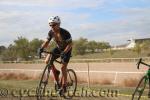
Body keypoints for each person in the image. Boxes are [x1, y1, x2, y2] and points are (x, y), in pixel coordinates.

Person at [39, 16, 72, 93]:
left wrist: (65, 52)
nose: (52, 27)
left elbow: (70, 44)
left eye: (53, 25)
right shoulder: (51, 32)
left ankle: (64, 85)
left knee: (63, 67)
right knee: (47, 61)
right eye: (50, 25)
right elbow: (47, 42)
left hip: (67, 49)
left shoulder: (65, 33)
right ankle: (56, 72)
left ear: (58, 24)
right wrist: (41, 48)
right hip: (58, 48)